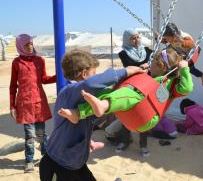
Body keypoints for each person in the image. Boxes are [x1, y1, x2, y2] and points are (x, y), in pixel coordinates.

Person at [39, 49, 145, 181]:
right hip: (58, 165)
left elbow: (79, 125)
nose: (96, 76)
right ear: (84, 74)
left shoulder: (85, 99)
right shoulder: (68, 92)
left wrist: (86, 141)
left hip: (75, 163)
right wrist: (126, 70)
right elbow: (91, 83)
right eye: (94, 73)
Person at [57, 48, 193, 137]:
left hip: (146, 117)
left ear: (162, 67)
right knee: (108, 91)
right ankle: (79, 113)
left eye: (153, 63)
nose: (150, 64)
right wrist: (139, 69)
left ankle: (104, 105)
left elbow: (187, 88)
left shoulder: (172, 86)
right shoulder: (149, 75)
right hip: (130, 112)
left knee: (134, 94)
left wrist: (185, 70)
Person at [9, 34, 56, 172]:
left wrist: (58, 76)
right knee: (30, 135)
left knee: (41, 133)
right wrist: (12, 105)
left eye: (31, 44)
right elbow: (13, 86)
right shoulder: (16, 63)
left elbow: (45, 79)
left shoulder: (40, 60)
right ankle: (29, 160)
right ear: (20, 46)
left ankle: (46, 157)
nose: (30, 47)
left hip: (39, 102)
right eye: (26, 45)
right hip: (24, 104)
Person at [114, 29, 153, 157]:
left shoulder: (148, 51)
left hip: (146, 86)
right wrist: (143, 67)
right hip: (131, 87)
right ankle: (125, 141)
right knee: (128, 113)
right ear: (127, 40)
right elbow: (130, 68)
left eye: (137, 37)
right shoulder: (124, 53)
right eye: (133, 38)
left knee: (145, 114)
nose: (136, 40)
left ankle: (143, 145)